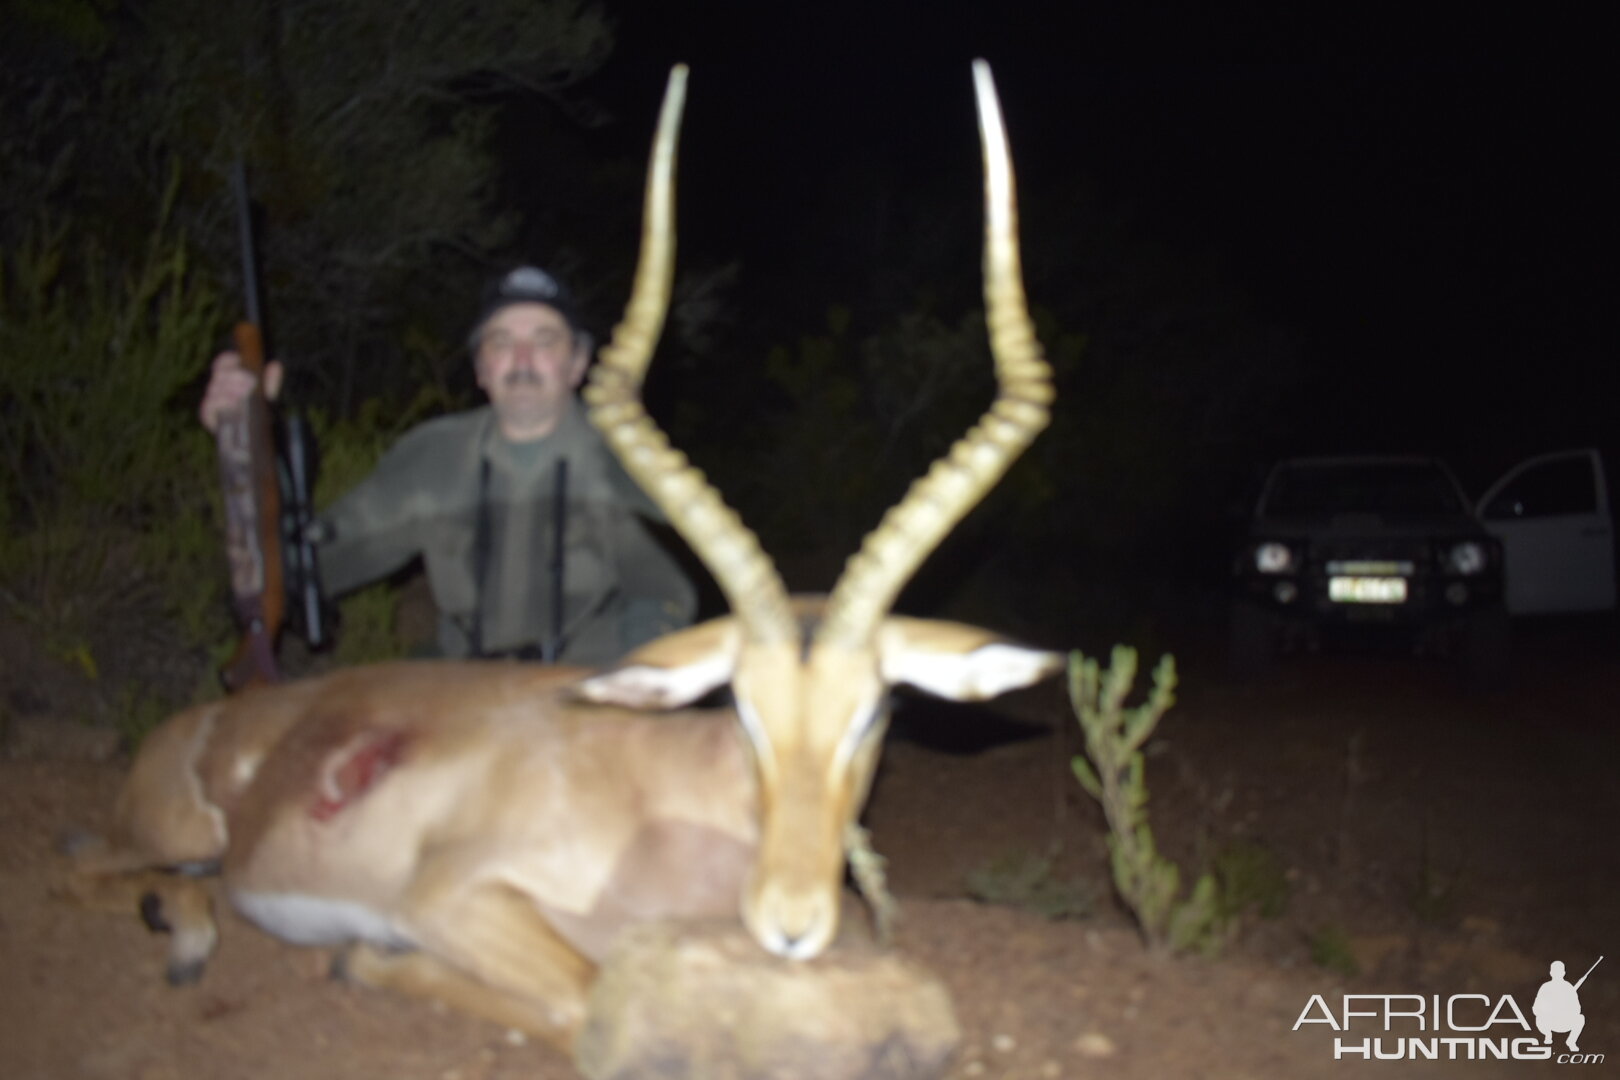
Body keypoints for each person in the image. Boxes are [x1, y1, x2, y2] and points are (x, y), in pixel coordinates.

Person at [200, 266, 696, 664]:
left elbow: (665, 594)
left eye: (545, 340)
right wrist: (247, 448)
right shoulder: (432, 458)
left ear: (577, 363)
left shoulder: (632, 459)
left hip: (583, 692)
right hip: (458, 691)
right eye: (500, 341)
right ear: (481, 368)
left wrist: (634, 689)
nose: (522, 358)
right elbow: (309, 568)